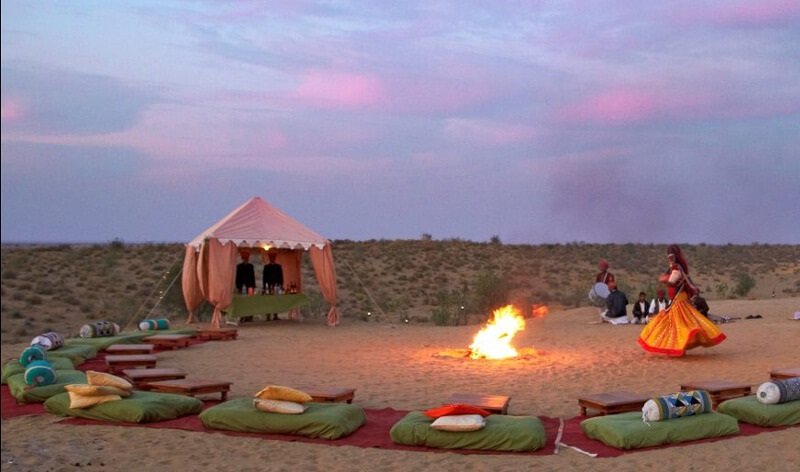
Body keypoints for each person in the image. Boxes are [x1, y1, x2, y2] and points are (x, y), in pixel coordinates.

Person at [638, 244, 726, 356]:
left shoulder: (676, 268)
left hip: (679, 301)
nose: (669, 259)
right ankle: (678, 347)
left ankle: (679, 348)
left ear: (674, 257)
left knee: (677, 324)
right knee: (677, 323)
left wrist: (663, 280)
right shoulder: (675, 267)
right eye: (668, 257)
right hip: (678, 300)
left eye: (671, 257)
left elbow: (672, 283)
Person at [262, 251, 284, 321]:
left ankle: (275, 315)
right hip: (268, 286)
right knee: (268, 301)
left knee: (276, 301)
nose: (272, 258)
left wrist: (281, 285)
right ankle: (268, 315)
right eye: (271, 257)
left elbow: (281, 277)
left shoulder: (278, 266)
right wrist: (264, 287)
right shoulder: (266, 267)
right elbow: (264, 278)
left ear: (275, 258)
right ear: (269, 258)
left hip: (276, 286)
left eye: (273, 257)